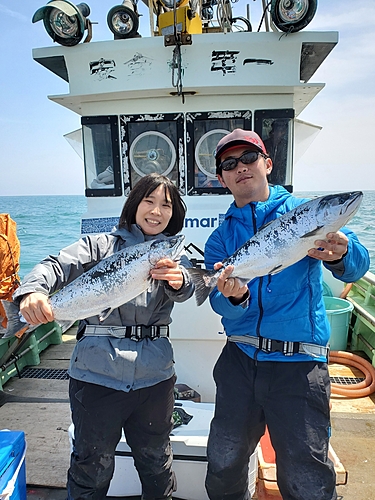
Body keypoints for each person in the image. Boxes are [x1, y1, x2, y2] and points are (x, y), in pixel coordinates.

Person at [203, 128, 370, 500]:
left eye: (248, 158)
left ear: (267, 163)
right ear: (222, 178)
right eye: (230, 164)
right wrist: (232, 298)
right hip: (240, 360)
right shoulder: (220, 237)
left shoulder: (304, 212)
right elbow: (218, 305)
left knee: (306, 476)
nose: (241, 168)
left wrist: (341, 252)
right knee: (223, 460)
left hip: (299, 366)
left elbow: (358, 266)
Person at [12, 173, 194, 500]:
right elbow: (54, 266)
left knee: (157, 467)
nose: (156, 211)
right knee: (91, 469)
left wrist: (179, 281)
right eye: (148, 201)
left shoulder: (171, 256)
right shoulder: (99, 245)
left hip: (154, 380)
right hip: (96, 376)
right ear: (134, 204)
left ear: (173, 212)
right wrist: (31, 292)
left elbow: (187, 288)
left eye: (165, 205)